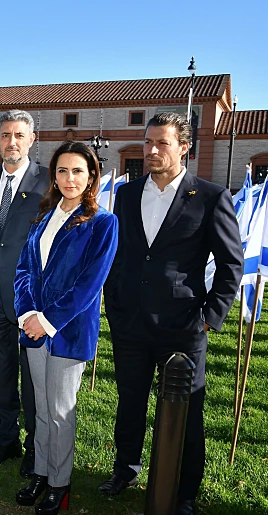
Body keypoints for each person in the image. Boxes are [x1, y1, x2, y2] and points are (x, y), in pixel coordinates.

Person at [101, 113, 243, 515]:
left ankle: (184, 491)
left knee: (186, 411)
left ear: (184, 147)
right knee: (130, 401)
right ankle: (125, 469)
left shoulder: (211, 197)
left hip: (183, 326)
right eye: (148, 142)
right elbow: (120, 254)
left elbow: (231, 264)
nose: (152, 150)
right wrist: (115, 303)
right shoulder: (127, 194)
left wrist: (209, 317)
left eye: (161, 143)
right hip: (130, 323)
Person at [13, 142, 118, 514]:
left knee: (60, 412)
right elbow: (25, 270)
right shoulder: (44, 216)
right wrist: (27, 313)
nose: (69, 178)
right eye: (62, 170)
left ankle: (60, 485)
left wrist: (47, 321)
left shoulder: (103, 223)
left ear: (91, 177)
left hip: (68, 332)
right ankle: (41, 474)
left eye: (77, 171)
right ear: (53, 176)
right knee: (41, 410)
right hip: (33, 329)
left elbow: (89, 285)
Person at [0, 110, 50, 477]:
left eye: (19, 135)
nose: (12, 142)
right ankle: (7, 442)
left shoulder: (48, 182)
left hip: (31, 301)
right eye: (5, 135)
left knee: (34, 382)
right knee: (0, 376)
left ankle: (36, 448)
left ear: (32, 139)